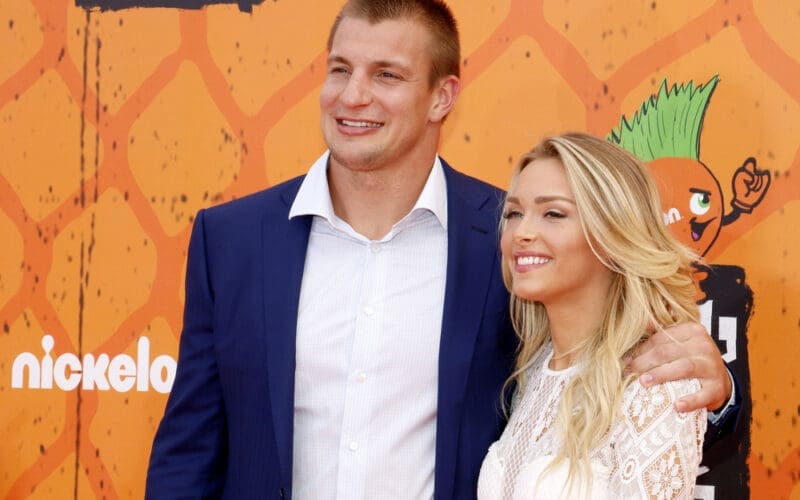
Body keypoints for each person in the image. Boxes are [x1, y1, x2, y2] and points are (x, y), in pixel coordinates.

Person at [145, 2, 738, 499]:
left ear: (441, 97)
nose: (353, 96)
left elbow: (607, 367)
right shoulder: (233, 240)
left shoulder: (509, 242)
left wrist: (717, 395)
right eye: (340, 69)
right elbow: (191, 447)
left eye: (386, 75)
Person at [478, 133, 709, 499]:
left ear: (612, 233)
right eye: (514, 213)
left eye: (553, 213)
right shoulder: (536, 369)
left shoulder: (654, 380)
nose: (521, 232)